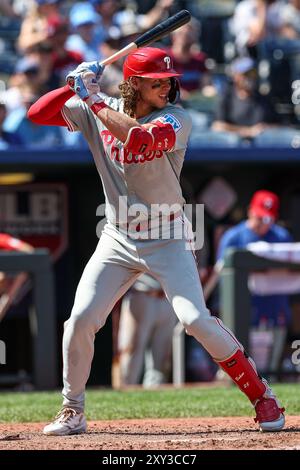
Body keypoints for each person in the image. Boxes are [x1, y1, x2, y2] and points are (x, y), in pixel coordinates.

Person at [27, 47, 285, 435]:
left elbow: (141, 142)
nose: (168, 86)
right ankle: (72, 408)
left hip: (167, 234)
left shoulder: (175, 117)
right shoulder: (100, 106)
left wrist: (91, 97)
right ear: (134, 84)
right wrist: (72, 83)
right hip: (117, 235)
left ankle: (262, 396)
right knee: (80, 319)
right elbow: (37, 114)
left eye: (169, 80)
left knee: (195, 319)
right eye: (157, 81)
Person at [217, 190, 293, 373]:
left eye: (268, 219)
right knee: (246, 366)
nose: (263, 223)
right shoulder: (234, 237)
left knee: (271, 368)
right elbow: (222, 275)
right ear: (250, 211)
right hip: (243, 311)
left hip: (275, 308)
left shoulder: (281, 236)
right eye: (260, 217)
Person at [118, 273, 177, 387]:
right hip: (141, 293)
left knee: (161, 357)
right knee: (132, 351)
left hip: (169, 297)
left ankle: (154, 398)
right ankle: (126, 394)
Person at [212, 56, 280, 140]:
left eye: (253, 73)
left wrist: (265, 128)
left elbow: (279, 125)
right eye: (246, 74)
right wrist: (247, 131)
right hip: (234, 149)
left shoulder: (264, 98)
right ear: (235, 76)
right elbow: (217, 126)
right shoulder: (226, 97)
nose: (250, 78)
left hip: (260, 148)